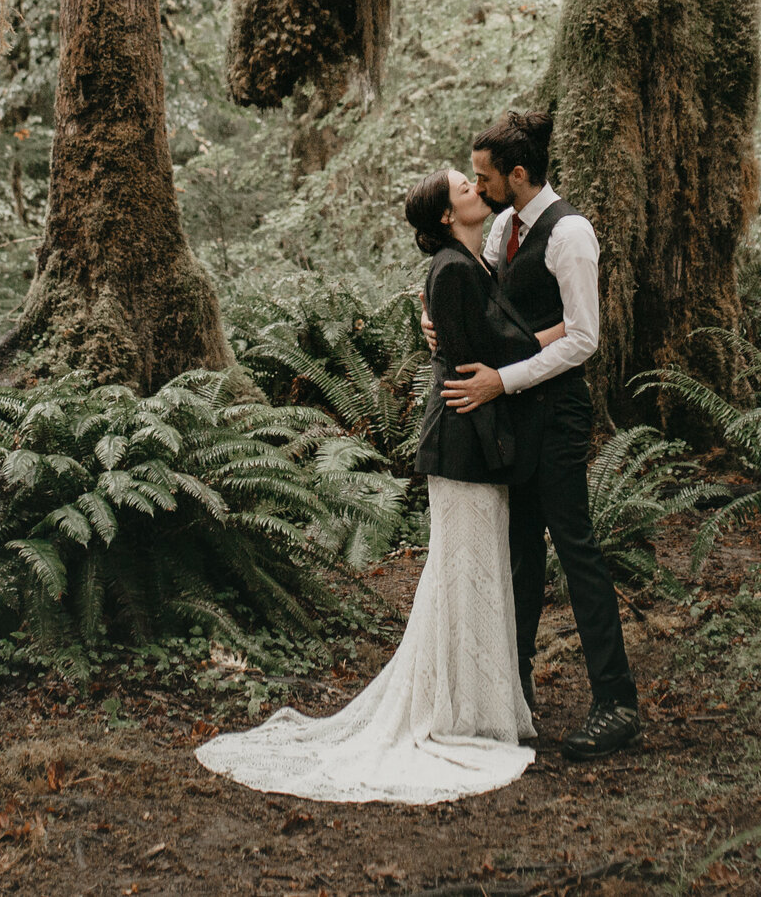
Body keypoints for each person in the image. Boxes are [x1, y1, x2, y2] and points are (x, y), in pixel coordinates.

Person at [194, 169, 552, 803]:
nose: (475, 185)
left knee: (473, 571)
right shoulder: (452, 270)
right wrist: (568, 335)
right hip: (462, 443)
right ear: (447, 214)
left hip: (476, 442)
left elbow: (481, 337)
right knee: (463, 571)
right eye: (462, 185)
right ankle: (457, 716)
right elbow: (491, 347)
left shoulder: (468, 263)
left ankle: (470, 707)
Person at [438, 108, 642, 760]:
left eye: (484, 175)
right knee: (521, 553)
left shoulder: (571, 233)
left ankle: (616, 702)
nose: (480, 184)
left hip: (556, 414)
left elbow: (585, 337)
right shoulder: (504, 226)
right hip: (515, 419)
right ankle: (514, 693)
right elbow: (482, 287)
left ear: (517, 173)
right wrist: (436, 315)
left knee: (575, 549)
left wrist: (505, 377)